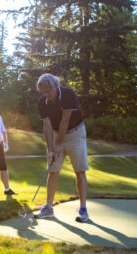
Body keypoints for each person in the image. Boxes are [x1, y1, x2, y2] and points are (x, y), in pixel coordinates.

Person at [34, 73, 89, 222]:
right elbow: (47, 126)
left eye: (48, 91)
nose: (47, 95)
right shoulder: (42, 102)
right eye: (43, 92)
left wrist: (59, 144)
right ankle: (48, 208)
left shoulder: (68, 94)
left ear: (55, 86)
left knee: (79, 170)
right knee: (53, 171)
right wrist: (51, 149)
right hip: (55, 133)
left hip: (75, 134)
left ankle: (83, 209)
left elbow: (65, 120)